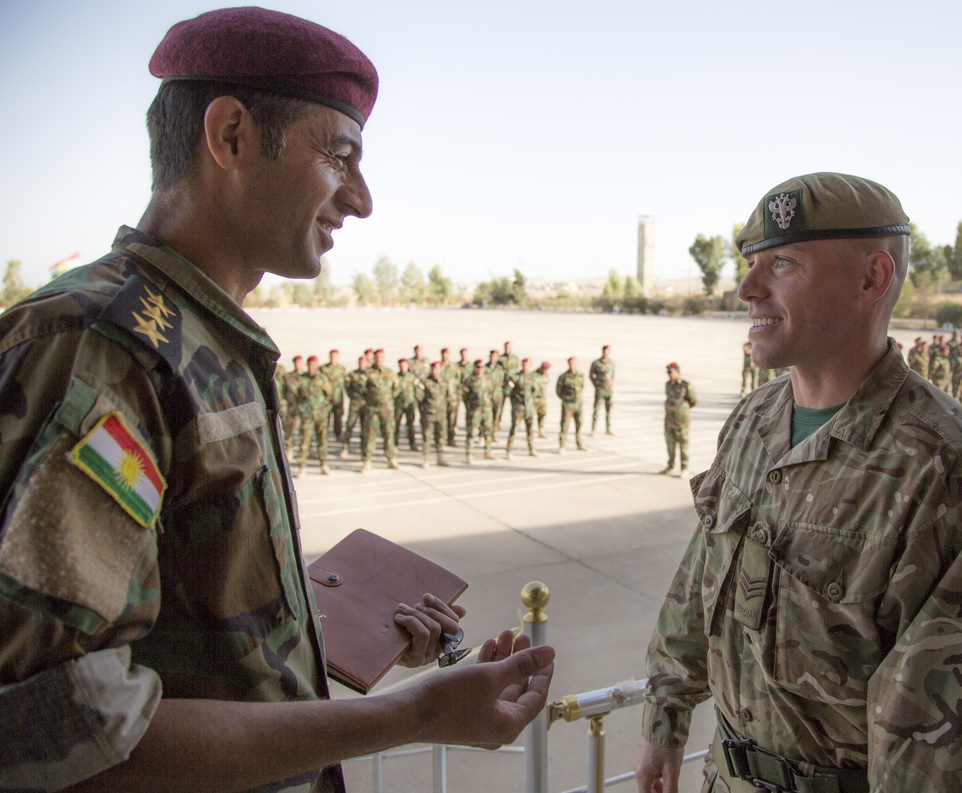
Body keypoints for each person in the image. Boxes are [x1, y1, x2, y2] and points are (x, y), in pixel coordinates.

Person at [0, 10, 554, 793]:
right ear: (229, 136)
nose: (359, 198)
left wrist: (331, 629)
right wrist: (415, 716)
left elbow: (186, 636)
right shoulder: (105, 346)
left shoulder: (201, 337)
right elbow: (60, 726)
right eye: (341, 154)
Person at [635, 172, 962, 793]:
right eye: (751, 263)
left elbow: (941, 737)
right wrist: (664, 719)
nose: (747, 288)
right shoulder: (754, 420)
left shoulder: (946, 469)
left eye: (781, 264)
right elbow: (702, 577)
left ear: (871, 279)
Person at [361, 348, 400, 473]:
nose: (379, 360)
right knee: (370, 435)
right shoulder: (367, 373)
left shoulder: (389, 372)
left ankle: (390, 458)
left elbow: (396, 388)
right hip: (372, 409)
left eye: (381, 357)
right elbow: (361, 390)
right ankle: (367, 461)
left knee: (389, 433)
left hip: (387, 409)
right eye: (377, 357)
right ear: (374, 358)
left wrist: (387, 399)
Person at [297, 354, 334, 477]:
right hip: (307, 415)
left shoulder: (323, 379)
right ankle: (302, 466)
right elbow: (296, 395)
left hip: (320, 416)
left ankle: (323, 464)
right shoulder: (302, 379)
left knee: (322, 440)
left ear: (317, 365)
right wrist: (302, 409)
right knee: (304, 440)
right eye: (309, 365)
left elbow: (330, 395)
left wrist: (325, 410)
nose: (311, 367)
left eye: (313, 365)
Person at [659, 362, 696, 478]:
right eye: (668, 372)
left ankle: (684, 468)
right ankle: (670, 466)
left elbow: (693, 400)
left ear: (677, 372)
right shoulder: (668, 384)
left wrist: (682, 410)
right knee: (670, 443)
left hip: (681, 420)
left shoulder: (685, 385)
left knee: (683, 444)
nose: (669, 374)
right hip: (669, 419)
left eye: (671, 372)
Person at [462, 359, 496, 463]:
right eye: (477, 367)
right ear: (474, 368)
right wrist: (470, 407)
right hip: (474, 411)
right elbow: (465, 396)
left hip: (486, 410)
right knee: (471, 433)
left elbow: (491, 392)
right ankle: (469, 454)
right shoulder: (469, 380)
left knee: (487, 432)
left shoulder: (488, 379)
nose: (480, 369)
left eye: (481, 367)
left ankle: (488, 452)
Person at [506, 357, 539, 458]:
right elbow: (507, 391)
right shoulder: (516, 377)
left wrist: (530, 399)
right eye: (524, 364)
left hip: (528, 407)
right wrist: (515, 399)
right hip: (518, 408)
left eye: (528, 365)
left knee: (530, 429)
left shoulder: (532, 378)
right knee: (514, 428)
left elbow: (536, 390)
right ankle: (509, 449)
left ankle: (531, 448)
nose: (526, 367)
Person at [419, 360, 450, 468]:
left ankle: (440, 458)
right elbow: (419, 398)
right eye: (433, 369)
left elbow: (448, 397)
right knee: (427, 437)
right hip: (429, 414)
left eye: (437, 369)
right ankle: (426, 458)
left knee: (440, 437)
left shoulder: (444, 382)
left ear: (441, 370)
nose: (435, 371)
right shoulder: (426, 382)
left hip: (441, 414)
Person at [555, 356, 586, 453]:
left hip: (578, 404)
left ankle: (579, 443)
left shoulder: (581, 375)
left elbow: (582, 387)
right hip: (568, 405)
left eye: (574, 363)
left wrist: (580, 398)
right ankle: (562, 445)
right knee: (565, 425)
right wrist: (565, 399)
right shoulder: (563, 377)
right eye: (571, 363)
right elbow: (558, 391)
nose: (572, 364)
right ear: (568, 364)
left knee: (579, 424)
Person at [340, 354, 369, 458]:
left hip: (366, 405)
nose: (362, 364)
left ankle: (363, 449)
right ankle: (345, 447)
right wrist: (352, 396)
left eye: (364, 362)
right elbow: (347, 386)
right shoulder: (353, 374)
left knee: (365, 428)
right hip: (355, 404)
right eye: (360, 362)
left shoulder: (370, 374)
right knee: (350, 425)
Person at [321, 347, 347, 442]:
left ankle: (338, 434)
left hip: (338, 398)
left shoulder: (341, 369)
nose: (333, 358)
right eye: (331, 356)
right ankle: (325, 436)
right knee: (325, 418)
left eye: (335, 356)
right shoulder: (323, 369)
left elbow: (346, 382)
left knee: (338, 418)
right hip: (326, 399)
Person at [395, 356, 420, 451]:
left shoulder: (412, 377)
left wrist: (417, 401)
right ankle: (394, 443)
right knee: (396, 424)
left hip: (410, 404)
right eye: (401, 365)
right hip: (398, 405)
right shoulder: (396, 377)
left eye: (404, 365)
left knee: (410, 424)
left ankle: (412, 443)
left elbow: (417, 390)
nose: (403, 367)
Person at [589, 344, 615, 435]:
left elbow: (613, 375)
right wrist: (596, 384)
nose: (606, 353)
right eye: (604, 351)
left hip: (609, 390)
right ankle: (593, 429)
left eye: (607, 351)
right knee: (596, 409)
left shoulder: (611, 363)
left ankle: (608, 428)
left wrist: (611, 386)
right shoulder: (596, 363)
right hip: (600, 389)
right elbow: (591, 375)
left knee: (609, 410)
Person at [533, 361, 551, 438]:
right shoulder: (533, 375)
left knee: (542, 415)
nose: (545, 371)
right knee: (531, 416)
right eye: (544, 369)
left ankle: (540, 431)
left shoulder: (546, 375)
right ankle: (530, 432)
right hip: (534, 399)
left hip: (542, 399)